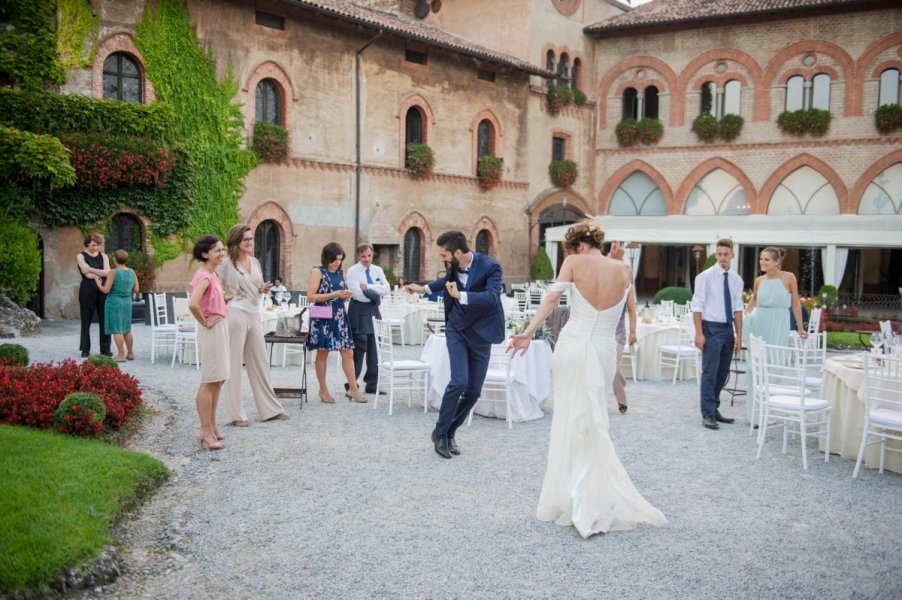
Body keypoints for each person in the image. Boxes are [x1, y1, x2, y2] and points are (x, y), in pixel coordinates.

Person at [509, 220, 666, 537]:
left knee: (571, 418)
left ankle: (575, 498)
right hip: (604, 350)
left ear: (578, 246)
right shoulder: (622, 270)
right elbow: (626, 303)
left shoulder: (574, 262)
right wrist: (615, 259)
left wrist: (527, 332)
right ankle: (588, 495)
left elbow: (552, 300)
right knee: (595, 419)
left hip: (572, 346)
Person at [405, 230, 505, 459]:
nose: (443, 259)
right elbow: (445, 281)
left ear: (457, 252)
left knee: (473, 392)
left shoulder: (491, 266)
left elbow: (492, 297)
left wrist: (461, 296)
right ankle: (441, 434)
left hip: (481, 333)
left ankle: (449, 432)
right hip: (457, 329)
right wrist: (423, 289)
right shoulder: (453, 266)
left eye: (444, 255)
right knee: (459, 381)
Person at [216, 224, 291, 427]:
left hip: (254, 314)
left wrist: (262, 289)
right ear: (237, 242)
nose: (251, 242)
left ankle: (271, 409)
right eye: (246, 239)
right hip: (236, 314)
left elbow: (255, 287)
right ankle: (236, 414)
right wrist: (226, 295)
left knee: (260, 361)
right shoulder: (226, 264)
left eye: (251, 238)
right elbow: (212, 289)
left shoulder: (255, 262)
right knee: (234, 364)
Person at [743, 246, 807, 424]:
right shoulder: (758, 280)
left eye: (766, 260)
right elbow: (754, 301)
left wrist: (800, 328)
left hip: (779, 324)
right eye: (761, 259)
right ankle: (754, 414)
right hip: (760, 324)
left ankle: (769, 411)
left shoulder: (788, 278)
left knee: (774, 365)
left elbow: (795, 304)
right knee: (756, 367)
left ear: (776, 262)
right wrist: (742, 322)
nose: (762, 262)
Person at [691, 238, 743, 431]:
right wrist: (699, 333)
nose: (722, 257)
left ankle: (715, 408)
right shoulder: (705, 277)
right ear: (715, 255)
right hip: (710, 328)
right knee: (710, 372)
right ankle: (707, 414)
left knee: (722, 373)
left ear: (732, 255)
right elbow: (697, 306)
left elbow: (738, 308)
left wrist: (739, 335)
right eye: (719, 254)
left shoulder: (736, 279)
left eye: (726, 254)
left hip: (728, 329)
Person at [306, 242, 366, 403]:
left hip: (339, 316)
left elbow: (340, 293)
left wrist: (346, 295)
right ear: (327, 257)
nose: (337, 262)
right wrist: (334, 294)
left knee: (348, 352)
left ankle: (353, 389)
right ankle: (323, 390)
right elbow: (310, 297)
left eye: (340, 259)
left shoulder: (340, 273)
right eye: (334, 259)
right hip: (323, 316)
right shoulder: (317, 272)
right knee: (323, 353)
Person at [187, 235, 229, 451]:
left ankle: (211, 424)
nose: (222, 254)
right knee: (209, 381)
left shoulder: (212, 275)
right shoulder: (205, 276)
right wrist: (204, 321)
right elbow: (193, 304)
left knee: (219, 379)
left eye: (222, 250)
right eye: (217, 251)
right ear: (205, 254)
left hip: (219, 327)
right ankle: (204, 430)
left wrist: (224, 299)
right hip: (211, 330)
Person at [345, 243, 390, 395]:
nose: (366, 259)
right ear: (359, 256)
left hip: (374, 313)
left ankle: (372, 384)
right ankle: (351, 384)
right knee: (359, 350)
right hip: (358, 313)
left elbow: (387, 288)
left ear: (372, 255)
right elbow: (357, 294)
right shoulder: (352, 271)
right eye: (363, 256)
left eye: (369, 256)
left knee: (374, 350)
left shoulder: (378, 270)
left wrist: (368, 287)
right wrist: (376, 297)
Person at [95, 249, 138, 362]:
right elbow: (136, 289)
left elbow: (106, 290)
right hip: (127, 302)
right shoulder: (132, 272)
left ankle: (120, 355)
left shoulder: (113, 272)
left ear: (114, 259)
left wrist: (99, 284)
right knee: (127, 329)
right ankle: (130, 353)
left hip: (114, 302)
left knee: (116, 329)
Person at [76, 233, 112, 357]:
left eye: (98, 245)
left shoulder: (104, 256)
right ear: (87, 244)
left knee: (105, 318)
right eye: (93, 245)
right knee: (86, 319)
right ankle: (85, 349)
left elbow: (108, 272)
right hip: (87, 288)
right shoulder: (80, 256)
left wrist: (90, 269)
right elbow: (86, 274)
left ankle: (105, 349)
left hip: (102, 288)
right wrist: (98, 273)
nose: (96, 248)